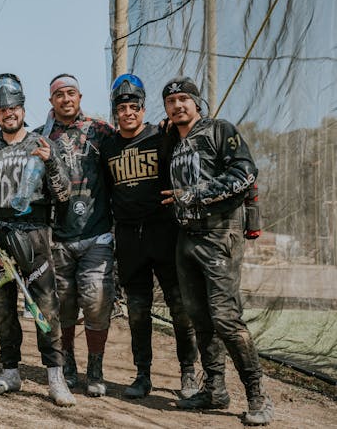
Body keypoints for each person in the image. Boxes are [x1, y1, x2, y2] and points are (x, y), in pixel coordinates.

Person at [160, 76, 273, 425]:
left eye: (184, 99)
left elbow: (245, 173)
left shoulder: (219, 130)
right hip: (186, 237)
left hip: (219, 234)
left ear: (197, 103)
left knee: (225, 316)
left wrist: (193, 194)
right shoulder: (174, 142)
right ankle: (215, 389)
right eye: (172, 100)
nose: (178, 105)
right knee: (199, 317)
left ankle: (257, 395)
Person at [0, 73, 74, 406]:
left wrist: (52, 162)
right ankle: (10, 371)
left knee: (46, 308)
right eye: (1, 109)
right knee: (2, 310)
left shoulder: (43, 144)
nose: (8, 113)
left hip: (35, 236)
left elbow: (64, 193)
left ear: (23, 109)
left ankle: (55, 377)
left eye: (13, 107)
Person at [100, 74, 198, 399]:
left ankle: (188, 373)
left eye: (134, 106)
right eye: (122, 107)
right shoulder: (108, 146)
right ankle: (143, 375)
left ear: (143, 109)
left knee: (180, 307)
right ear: (116, 112)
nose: (128, 112)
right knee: (138, 311)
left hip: (164, 233)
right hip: (129, 238)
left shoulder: (162, 136)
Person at [33, 74, 115, 396]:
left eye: (71, 93)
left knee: (96, 301)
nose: (66, 99)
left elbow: (123, 150)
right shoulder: (43, 136)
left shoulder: (99, 130)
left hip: (97, 232)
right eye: (59, 95)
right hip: (59, 237)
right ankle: (67, 363)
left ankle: (96, 365)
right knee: (63, 306)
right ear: (51, 101)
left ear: (79, 96)